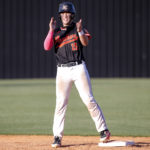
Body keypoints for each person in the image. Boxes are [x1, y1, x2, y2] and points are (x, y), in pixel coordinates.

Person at [44, 1, 110, 148]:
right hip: (62, 71)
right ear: (60, 15)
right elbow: (47, 46)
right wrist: (50, 30)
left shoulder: (77, 28)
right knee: (60, 104)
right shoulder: (55, 31)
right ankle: (57, 137)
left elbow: (85, 43)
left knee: (88, 100)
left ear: (72, 15)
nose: (65, 15)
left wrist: (80, 31)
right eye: (63, 13)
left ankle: (103, 130)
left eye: (68, 13)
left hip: (78, 67)